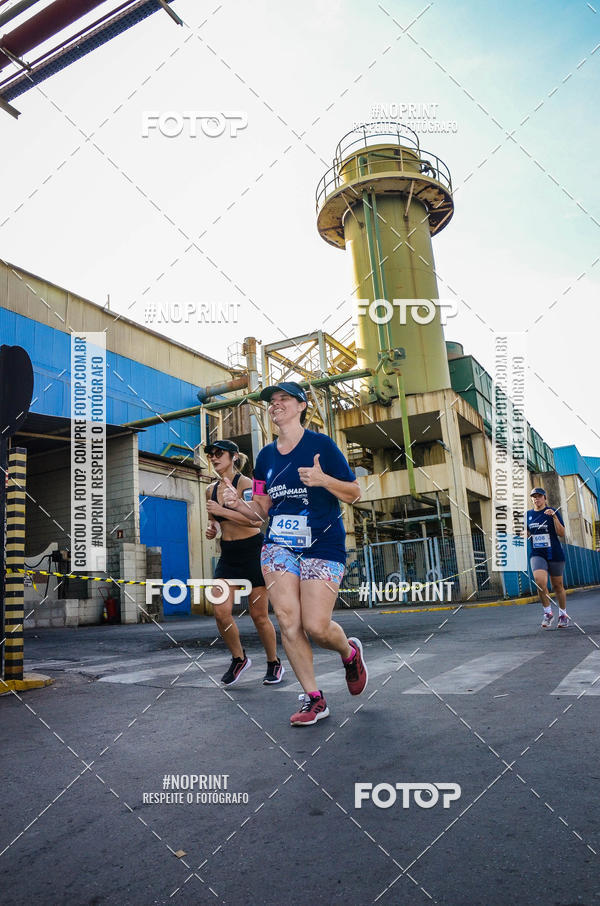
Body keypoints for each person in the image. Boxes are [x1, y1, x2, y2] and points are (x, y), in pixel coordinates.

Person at [222, 381, 368, 727]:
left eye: (283, 399)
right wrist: (237, 505)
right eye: (271, 401)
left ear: (301, 406)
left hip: (322, 544)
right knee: (288, 620)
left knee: (316, 626)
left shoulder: (322, 445)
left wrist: (323, 480)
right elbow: (260, 509)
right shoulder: (265, 458)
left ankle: (348, 652)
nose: (275, 405)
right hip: (279, 546)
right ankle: (314, 698)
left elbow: (354, 493)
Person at [204, 439, 284, 685]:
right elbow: (214, 521)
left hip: (252, 552)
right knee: (220, 612)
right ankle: (239, 658)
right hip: (228, 555)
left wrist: (225, 511)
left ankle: (274, 662)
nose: (214, 458)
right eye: (211, 454)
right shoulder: (210, 490)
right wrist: (212, 528)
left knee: (259, 615)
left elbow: (256, 520)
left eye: (219, 453)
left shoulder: (247, 484)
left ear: (234, 457)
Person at [526, 487, 569, 629]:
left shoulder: (553, 512)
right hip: (537, 554)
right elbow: (526, 533)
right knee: (540, 582)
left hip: (554, 553)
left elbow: (561, 533)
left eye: (539, 496)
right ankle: (548, 613)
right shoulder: (528, 515)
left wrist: (554, 517)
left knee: (557, 586)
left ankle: (563, 615)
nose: (536, 499)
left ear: (545, 498)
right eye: (534, 496)